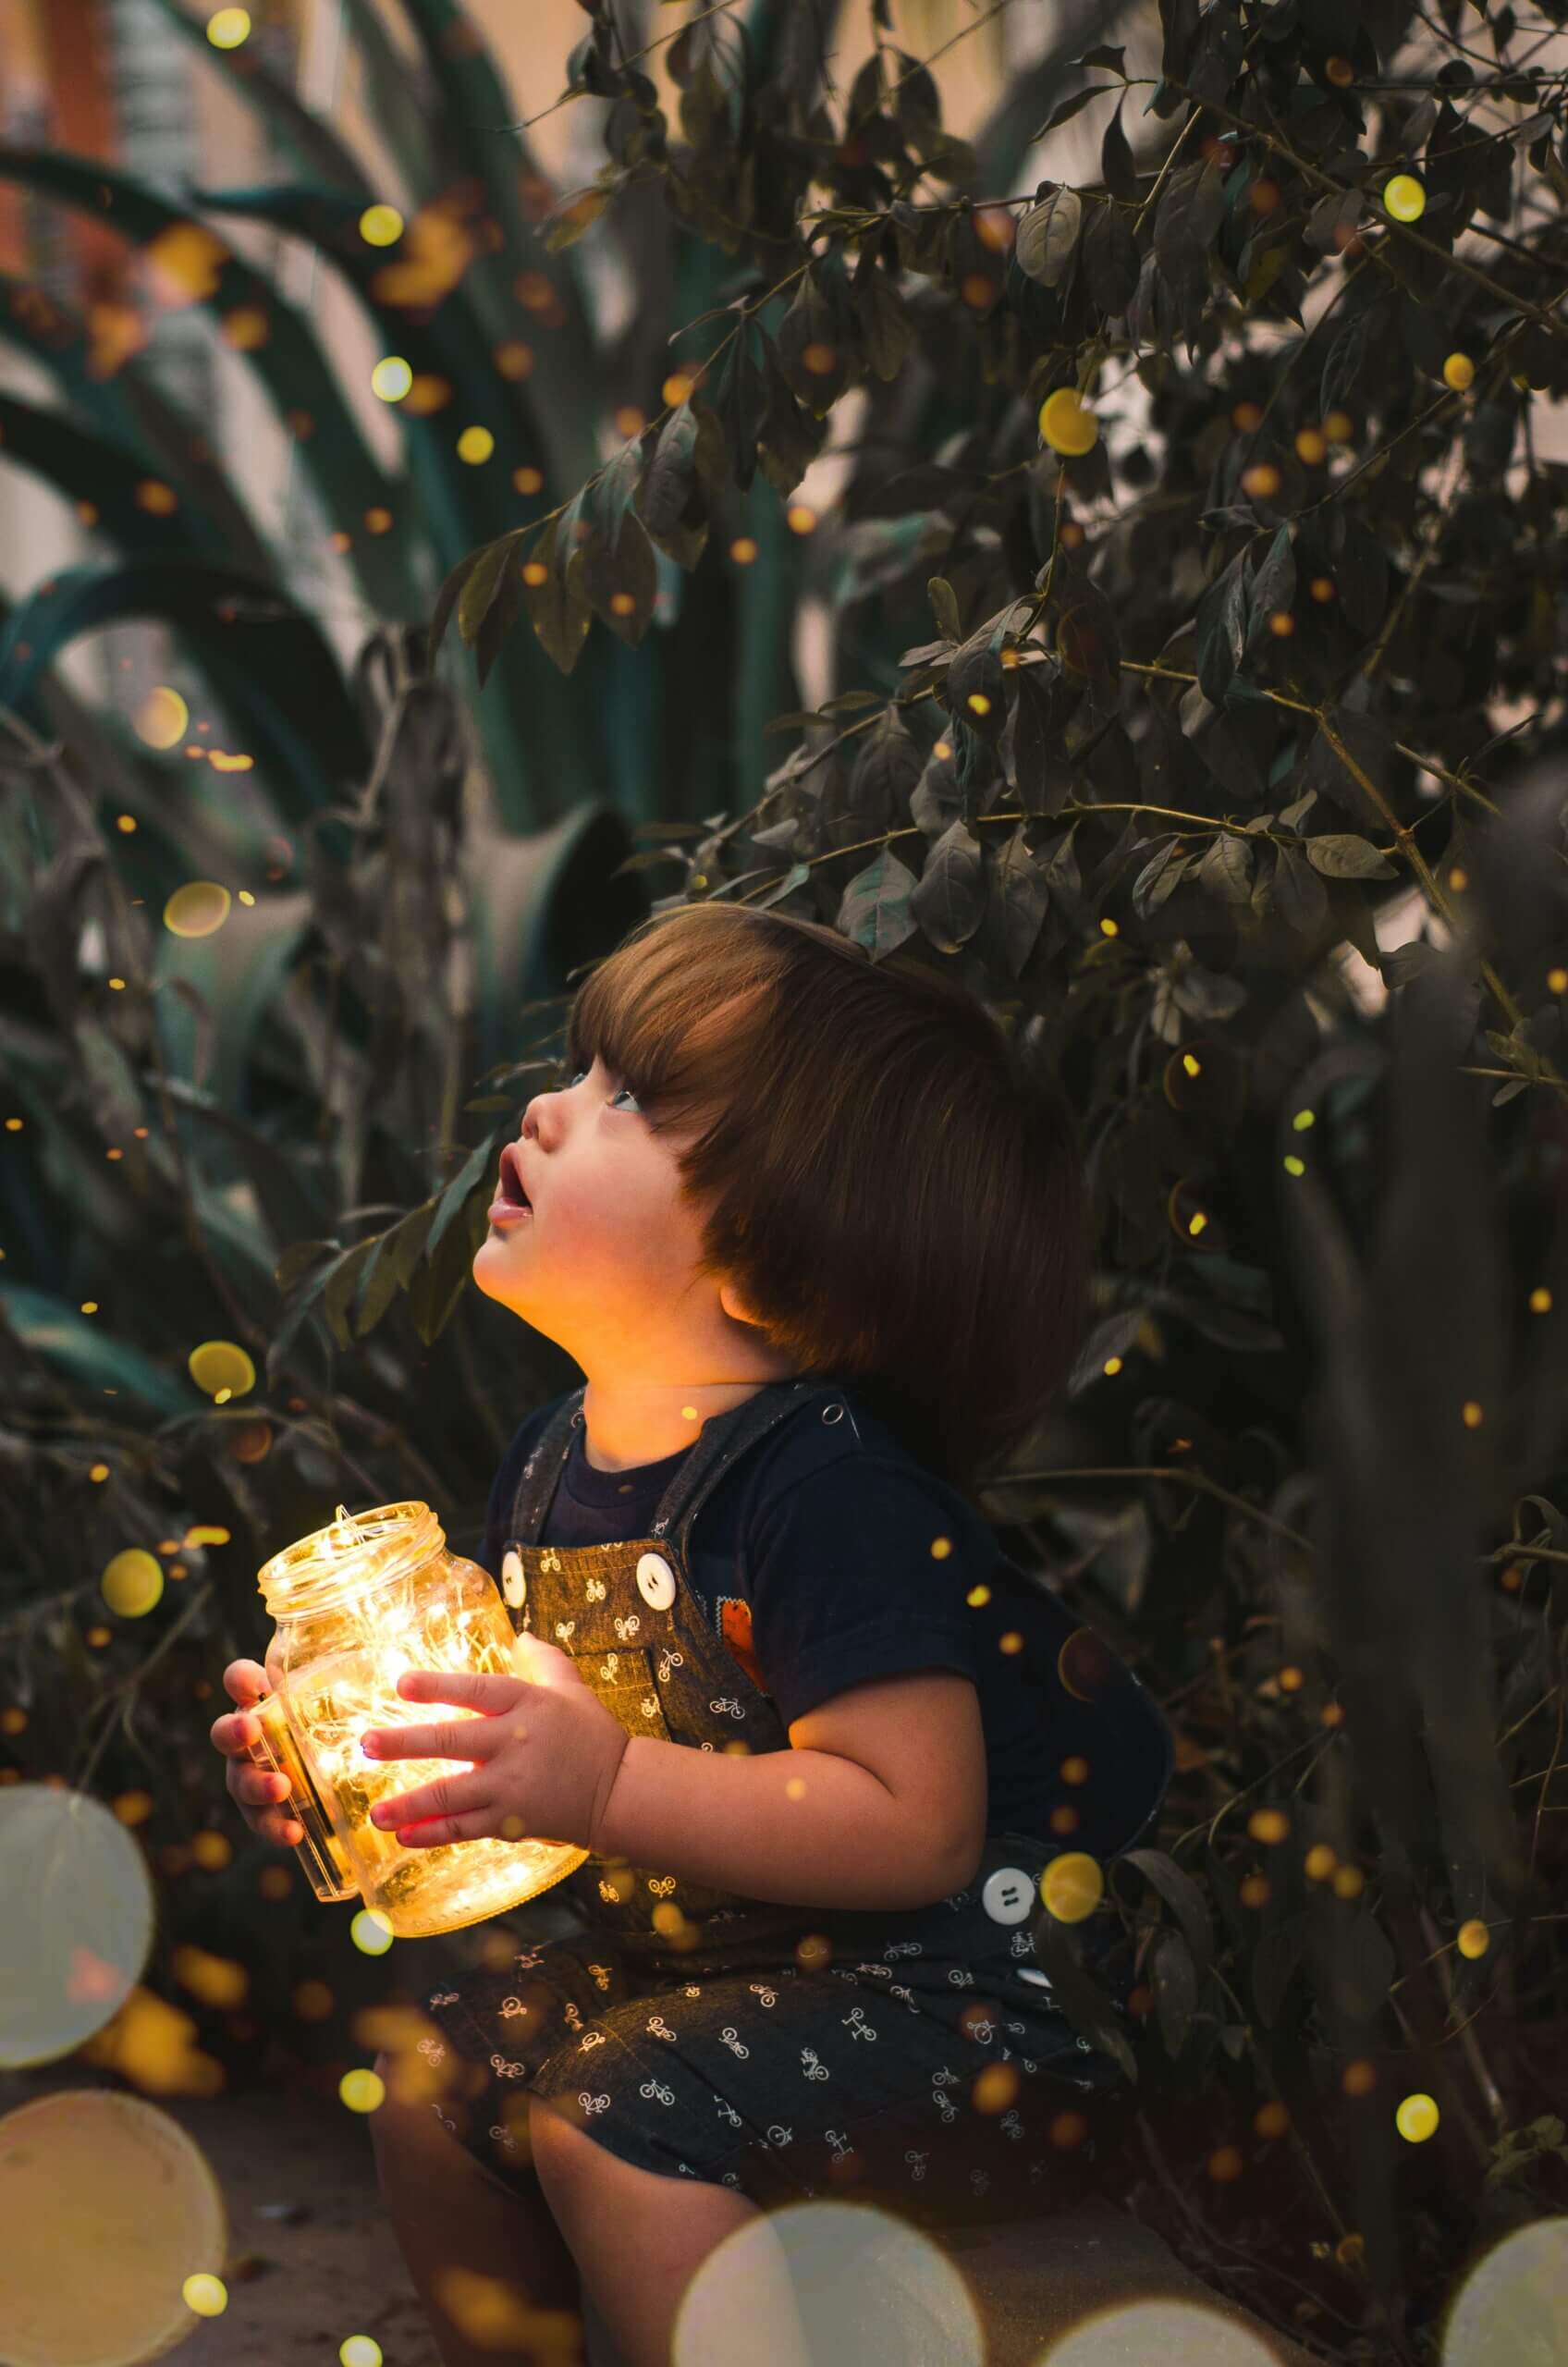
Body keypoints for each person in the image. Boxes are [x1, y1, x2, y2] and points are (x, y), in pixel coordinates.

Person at [212, 903, 1172, 2367]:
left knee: (612, 2115)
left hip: (959, 2024)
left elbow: (917, 1826)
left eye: (627, 1100)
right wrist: (364, 1767)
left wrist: (601, 1789)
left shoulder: (826, 1489)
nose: (546, 1106)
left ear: (774, 1268)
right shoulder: (549, 1459)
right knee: (435, 2084)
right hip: (708, 1994)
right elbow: (519, 1729)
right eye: (584, 1073)